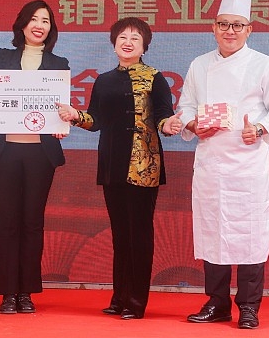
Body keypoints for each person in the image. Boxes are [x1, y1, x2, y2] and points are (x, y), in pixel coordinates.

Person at [178, 0, 269, 329]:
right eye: (223, 24)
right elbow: (185, 106)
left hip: (248, 164)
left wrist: (258, 128)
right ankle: (216, 303)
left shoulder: (264, 65)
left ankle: (248, 306)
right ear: (213, 28)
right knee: (212, 231)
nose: (230, 31)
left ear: (249, 30)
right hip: (211, 162)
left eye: (237, 25)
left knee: (250, 235)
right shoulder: (199, 65)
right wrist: (193, 124)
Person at [57, 17, 182, 320]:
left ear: (144, 46)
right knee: (119, 235)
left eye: (135, 38)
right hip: (112, 164)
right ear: (114, 44)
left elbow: (164, 115)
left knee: (139, 235)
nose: (128, 42)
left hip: (143, 165)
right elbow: (96, 120)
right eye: (122, 37)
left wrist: (169, 125)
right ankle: (119, 298)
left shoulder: (155, 77)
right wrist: (75, 115)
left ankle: (136, 302)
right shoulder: (103, 80)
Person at [0, 0, 70, 314]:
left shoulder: (59, 64)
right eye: (33, 19)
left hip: (40, 153)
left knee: (33, 222)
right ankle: (8, 292)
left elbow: (60, 107)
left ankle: (26, 292)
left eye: (45, 20)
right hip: (5, 149)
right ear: (22, 24)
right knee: (8, 220)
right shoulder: (3, 58)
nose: (39, 25)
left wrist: (62, 122)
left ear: (51, 28)